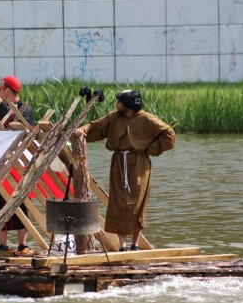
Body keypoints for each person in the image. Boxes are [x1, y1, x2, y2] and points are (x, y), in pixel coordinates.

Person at [74, 90, 175, 252]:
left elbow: (169, 134)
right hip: (119, 163)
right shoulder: (114, 117)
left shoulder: (147, 119)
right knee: (118, 202)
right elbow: (95, 126)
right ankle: (122, 246)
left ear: (128, 105)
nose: (117, 104)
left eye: (119, 102)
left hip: (139, 163)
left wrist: (150, 149)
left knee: (137, 202)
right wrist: (83, 130)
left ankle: (135, 245)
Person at [0, 75, 34, 255]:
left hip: (18, 163)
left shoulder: (26, 108)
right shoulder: (1, 108)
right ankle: (2, 244)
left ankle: (23, 243)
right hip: (0, 162)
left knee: (20, 202)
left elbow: (11, 119)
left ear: (7, 91)